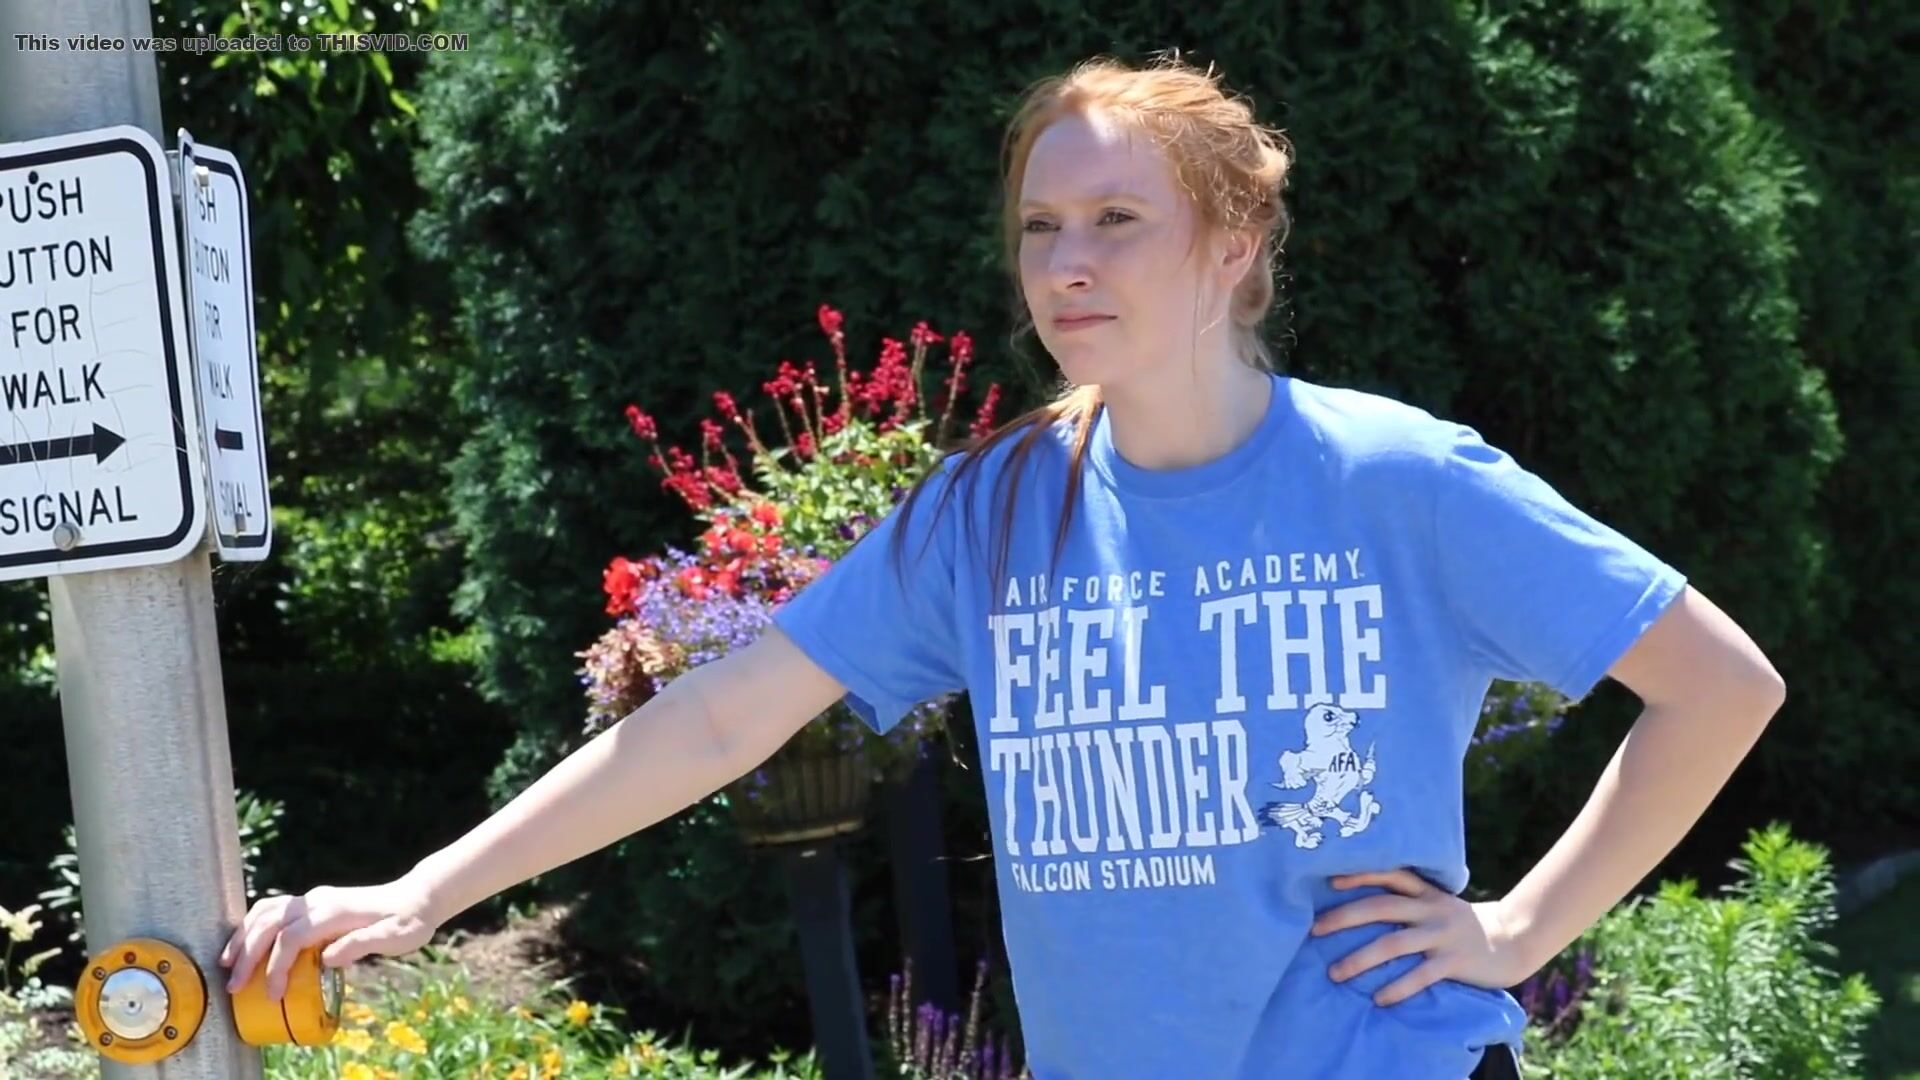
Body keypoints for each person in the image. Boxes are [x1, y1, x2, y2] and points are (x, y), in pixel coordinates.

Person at [221, 55, 1786, 1079]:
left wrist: (1517, 931)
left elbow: (1719, 687)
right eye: (1042, 227)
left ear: (1234, 247)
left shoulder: (1398, 480)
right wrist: (426, 890)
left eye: (1117, 219)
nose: (1068, 264)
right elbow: (718, 720)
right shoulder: (994, 510)